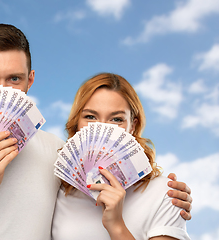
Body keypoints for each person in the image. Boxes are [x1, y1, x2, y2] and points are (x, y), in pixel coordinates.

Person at [0, 23, 192, 240]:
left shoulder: (57, 154)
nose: (1, 90)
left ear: (30, 81)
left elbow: (106, 173)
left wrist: (170, 196)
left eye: (14, 78)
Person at [52, 73, 190, 240]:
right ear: (76, 123)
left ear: (133, 125)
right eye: (90, 117)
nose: (102, 129)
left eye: (116, 119)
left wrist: (116, 226)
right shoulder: (57, 191)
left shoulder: (165, 194)